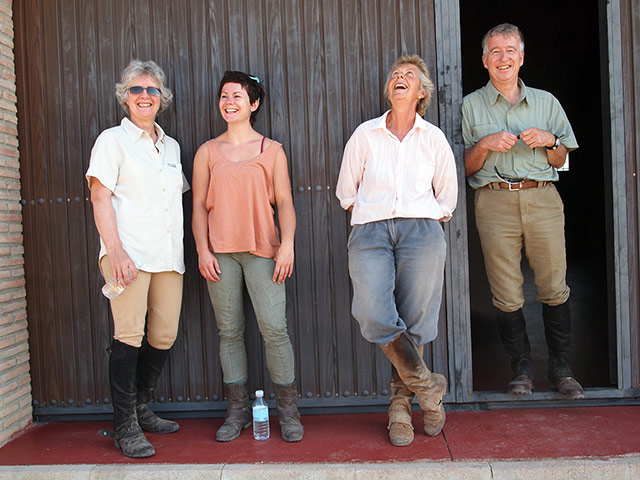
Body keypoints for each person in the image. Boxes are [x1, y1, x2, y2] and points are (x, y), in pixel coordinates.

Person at [336, 55, 458, 447]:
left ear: (421, 92)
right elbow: (346, 192)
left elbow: (447, 198)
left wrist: (420, 219)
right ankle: (428, 386)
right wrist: (374, 214)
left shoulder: (433, 138)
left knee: (416, 320)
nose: (399, 78)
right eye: (395, 75)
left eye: (409, 76)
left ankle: (400, 408)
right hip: (370, 230)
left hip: (422, 229)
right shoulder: (365, 135)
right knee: (372, 313)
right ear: (389, 89)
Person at [462, 23, 584, 399]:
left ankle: (562, 368)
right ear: (484, 60)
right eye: (495, 51)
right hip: (494, 200)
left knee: (553, 283)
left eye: (510, 50)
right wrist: (484, 144)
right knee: (505, 290)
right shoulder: (471, 105)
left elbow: (563, 158)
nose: (503, 58)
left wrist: (551, 140)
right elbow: (464, 166)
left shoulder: (547, 103)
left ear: (522, 57)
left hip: (542, 197)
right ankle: (522, 369)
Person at [192, 71, 303, 443]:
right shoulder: (207, 152)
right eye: (224, 95)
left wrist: (286, 244)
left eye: (237, 96)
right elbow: (197, 208)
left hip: (263, 251)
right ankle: (237, 412)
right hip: (220, 255)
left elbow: (285, 202)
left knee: (274, 330)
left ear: (253, 104)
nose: (229, 102)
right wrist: (202, 249)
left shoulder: (271, 150)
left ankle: (288, 413)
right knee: (229, 333)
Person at [86, 60, 189, 458]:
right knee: (128, 336)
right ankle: (124, 425)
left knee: (163, 335)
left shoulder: (172, 146)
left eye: (151, 90)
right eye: (136, 89)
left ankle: (143, 407)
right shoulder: (112, 141)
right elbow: (99, 196)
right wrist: (116, 251)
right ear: (124, 96)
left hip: (167, 257)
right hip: (126, 255)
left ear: (162, 98)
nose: (144, 96)